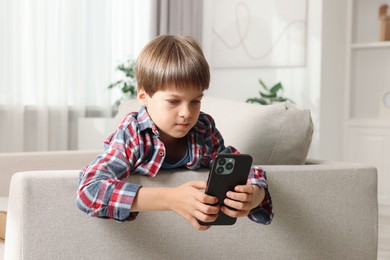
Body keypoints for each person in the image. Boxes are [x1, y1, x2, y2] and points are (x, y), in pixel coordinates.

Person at [77, 35, 273, 231]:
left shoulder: (203, 129)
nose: (186, 113)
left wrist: (256, 194)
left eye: (195, 101)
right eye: (173, 101)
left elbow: (239, 165)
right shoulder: (133, 133)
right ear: (143, 96)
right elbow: (89, 190)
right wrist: (171, 199)